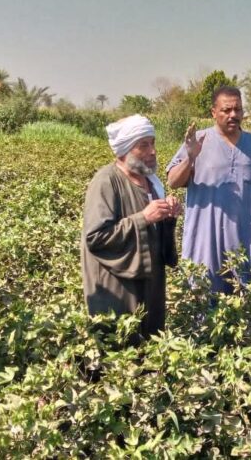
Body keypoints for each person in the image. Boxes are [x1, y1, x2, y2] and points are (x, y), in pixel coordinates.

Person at [81, 114, 180, 341]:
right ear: (124, 151)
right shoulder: (106, 181)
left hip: (151, 284)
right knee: (119, 349)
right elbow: (95, 236)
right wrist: (144, 218)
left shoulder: (152, 183)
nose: (152, 151)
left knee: (149, 350)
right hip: (118, 286)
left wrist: (167, 217)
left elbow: (154, 231)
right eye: (143, 146)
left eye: (152, 143)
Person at [166, 86, 251, 294]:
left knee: (245, 301)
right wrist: (191, 157)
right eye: (226, 110)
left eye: (238, 110)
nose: (233, 115)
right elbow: (173, 181)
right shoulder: (199, 141)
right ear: (213, 112)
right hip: (204, 239)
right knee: (203, 299)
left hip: (243, 238)